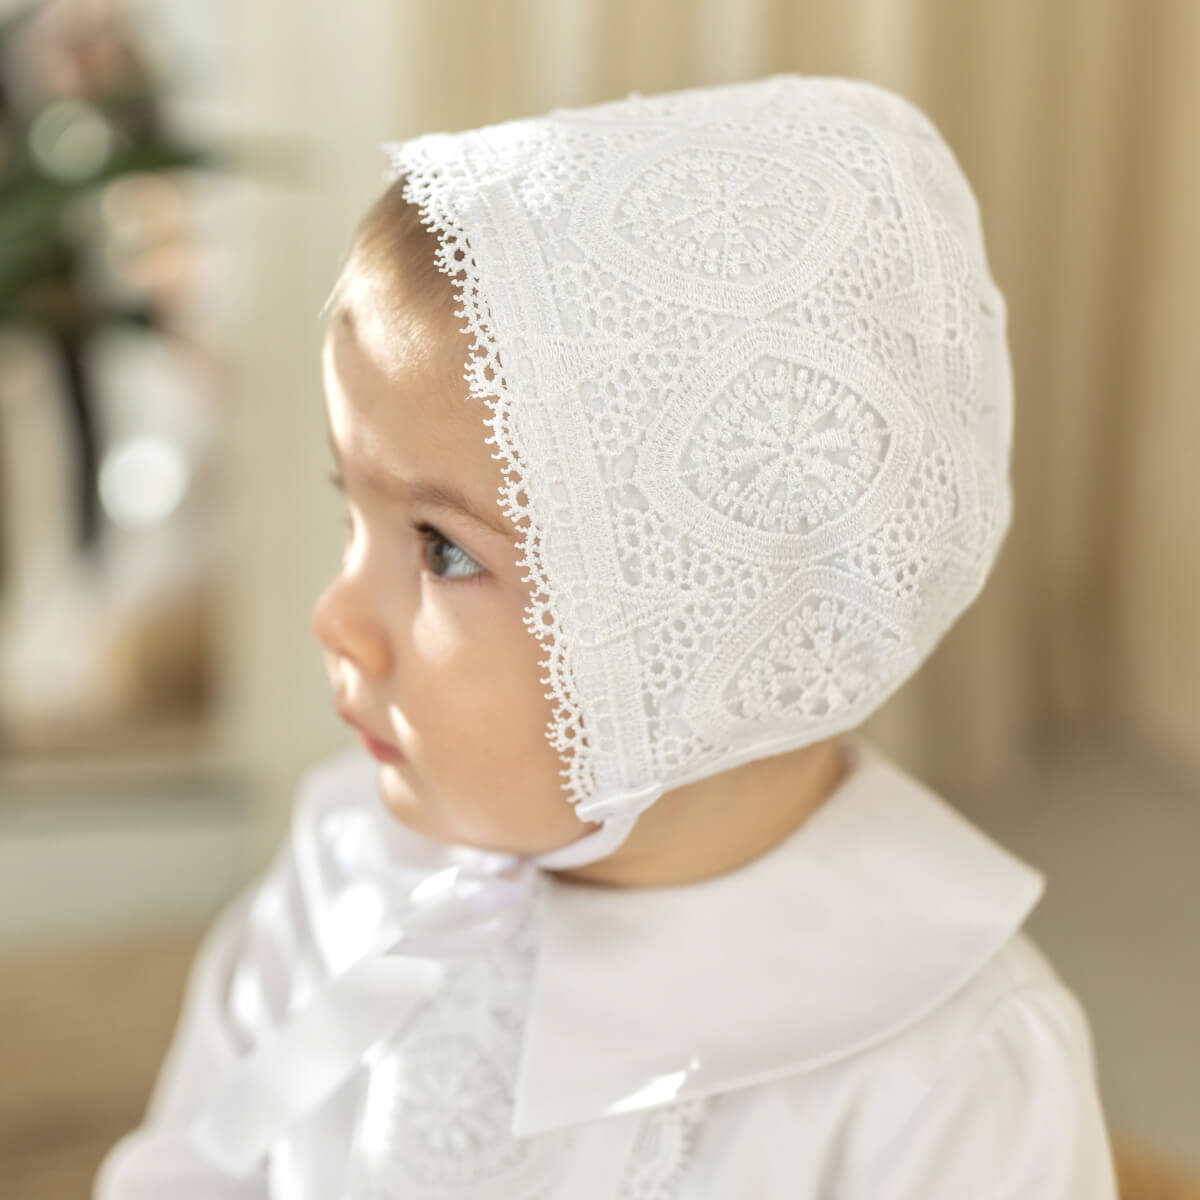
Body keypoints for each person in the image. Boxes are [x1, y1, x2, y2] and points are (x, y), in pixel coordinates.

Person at [94, 74, 1120, 1197]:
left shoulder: (937, 1073)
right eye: (353, 512)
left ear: (702, 617)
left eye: (441, 549)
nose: (335, 617)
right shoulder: (351, 868)